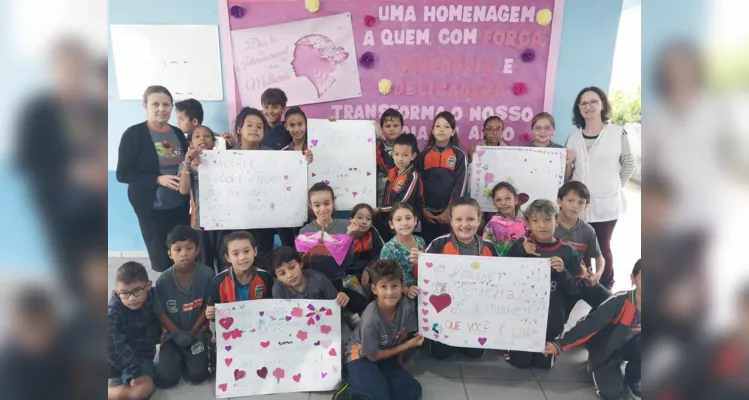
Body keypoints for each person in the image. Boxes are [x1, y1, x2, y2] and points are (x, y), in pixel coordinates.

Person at [564, 86, 636, 288]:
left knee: (602, 246)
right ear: (579, 108)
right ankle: (585, 282)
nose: (588, 106)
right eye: (583, 103)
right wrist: (568, 163)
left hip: (607, 203)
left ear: (602, 104)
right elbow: (568, 176)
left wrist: (615, 186)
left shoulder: (617, 133)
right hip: (578, 205)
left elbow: (629, 163)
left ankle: (606, 282)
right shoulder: (573, 137)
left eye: (593, 101)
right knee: (581, 245)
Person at [116, 85, 189, 272]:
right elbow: (123, 174)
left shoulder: (177, 133)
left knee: (182, 252)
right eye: (155, 104)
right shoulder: (134, 135)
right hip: (151, 207)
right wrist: (158, 179)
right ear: (145, 105)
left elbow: (184, 163)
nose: (161, 109)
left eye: (166, 104)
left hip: (180, 204)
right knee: (161, 256)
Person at [544, 260, 642, 400]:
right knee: (611, 393)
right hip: (607, 349)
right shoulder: (618, 302)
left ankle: (635, 376)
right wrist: (559, 345)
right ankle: (596, 363)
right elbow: (589, 325)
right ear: (633, 278)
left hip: (634, 347)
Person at [505, 199, 584, 369]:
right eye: (535, 220)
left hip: (552, 319)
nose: (542, 225)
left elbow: (575, 290)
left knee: (543, 364)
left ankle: (550, 344)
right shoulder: (522, 245)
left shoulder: (567, 252)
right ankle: (514, 346)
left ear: (557, 220)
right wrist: (520, 251)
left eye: (547, 220)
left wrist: (563, 272)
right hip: (522, 317)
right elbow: (503, 275)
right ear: (527, 222)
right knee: (520, 362)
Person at [417, 197, 498, 360]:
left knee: (475, 353)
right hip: (445, 311)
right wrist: (418, 262)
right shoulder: (438, 244)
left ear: (479, 220)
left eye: (470, 219)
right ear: (451, 221)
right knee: (442, 354)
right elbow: (422, 277)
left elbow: (498, 280)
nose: (464, 224)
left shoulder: (488, 247)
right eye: (459, 219)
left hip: (475, 311)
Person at [339, 259, 423, 400]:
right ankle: (350, 392)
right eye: (383, 287)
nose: (390, 293)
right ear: (374, 289)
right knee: (377, 396)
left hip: (384, 356)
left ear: (402, 286)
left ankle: (372, 385)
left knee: (413, 390)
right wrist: (408, 345)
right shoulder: (371, 318)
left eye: (394, 286)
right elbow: (373, 356)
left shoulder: (407, 307)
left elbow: (401, 338)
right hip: (360, 357)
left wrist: (400, 364)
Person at [153, 225, 213, 387]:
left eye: (189, 248)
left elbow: (207, 307)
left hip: (196, 333)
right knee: (167, 379)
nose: (184, 253)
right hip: (173, 336)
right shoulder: (163, 281)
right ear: (169, 253)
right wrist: (178, 334)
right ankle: (179, 358)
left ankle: (194, 358)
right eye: (177, 249)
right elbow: (160, 312)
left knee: (199, 375)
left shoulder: (207, 275)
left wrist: (193, 332)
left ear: (198, 250)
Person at [298, 182, 369, 314]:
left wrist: (348, 238)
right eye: (317, 205)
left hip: (339, 279)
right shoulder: (305, 232)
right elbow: (302, 266)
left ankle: (345, 313)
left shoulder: (346, 227)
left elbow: (347, 262)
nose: (322, 209)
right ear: (310, 206)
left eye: (326, 203)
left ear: (333, 202)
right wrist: (306, 257)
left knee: (358, 302)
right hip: (314, 281)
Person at [555, 181, 612, 321]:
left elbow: (600, 258)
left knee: (611, 303)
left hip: (578, 278)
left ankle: (588, 326)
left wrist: (597, 275)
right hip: (553, 279)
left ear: (585, 206)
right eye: (570, 200)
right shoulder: (549, 223)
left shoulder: (587, 231)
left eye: (581, 202)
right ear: (559, 201)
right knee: (557, 322)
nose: (575, 206)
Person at [107, 262, 160, 400]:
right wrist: (133, 371)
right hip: (115, 356)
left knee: (143, 390)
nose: (131, 298)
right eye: (124, 293)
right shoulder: (114, 309)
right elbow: (111, 345)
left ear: (148, 285)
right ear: (117, 291)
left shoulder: (155, 297)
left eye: (137, 290)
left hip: (142, 355)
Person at [179, 126, 227, 272]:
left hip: (224, 221)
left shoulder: (224, 161)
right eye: (197, 136)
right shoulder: (186, 164)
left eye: (207, 136)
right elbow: (183, 190)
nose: (202, 139)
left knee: (225, 260)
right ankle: (207, 293)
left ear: (214, 142)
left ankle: (224, 292)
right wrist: (188, 164)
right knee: (204, 262)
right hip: (201, 222)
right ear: (191, 143)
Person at [414, 111, 468, 244]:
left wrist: (450, 210)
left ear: (453, 131)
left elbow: (461, 185)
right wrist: (423, 209)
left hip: (449, 214)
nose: (441, 130)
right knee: (429, 248)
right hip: (428, 215)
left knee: (448, 248)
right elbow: (417, 184)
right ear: (432, 131)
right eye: (438, 126)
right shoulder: (423, 155)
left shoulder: (459, 155)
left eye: (446, 126)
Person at [233, 107, 276, 267]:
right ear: (239, 129)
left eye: (259, 127)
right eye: (249, 125)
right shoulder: (226, 158)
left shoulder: (274, 156)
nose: (254, 130)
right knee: (239, 263)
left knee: (263, 262)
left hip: (264, 221)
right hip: (236, 222)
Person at [206, 231, 274, 315]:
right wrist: (211, 314)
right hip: (229, 327)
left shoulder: (265, 277)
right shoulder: (218, 281)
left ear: (255, 251)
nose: (242, 257)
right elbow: (213, 322)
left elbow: (271, 310)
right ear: (227, 258)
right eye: (235, 254)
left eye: (246, 251)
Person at [374, 133, 423, 242]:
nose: (400, 159)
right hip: (390, 222)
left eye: (405, 155)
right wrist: (377, 137)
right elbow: (380, 155)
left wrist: (380, 209)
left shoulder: (413, 176)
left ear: (413, 156)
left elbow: (402, 202)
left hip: (406, 224)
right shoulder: (392, 171)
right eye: (396, 154)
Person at [278, 106, 314, 247]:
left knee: (311, 246)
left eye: (300, 124)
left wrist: (329, 125)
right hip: (291, 206)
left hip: (313, 207)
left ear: (306, 124)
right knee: (291, 246)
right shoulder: (283, 152)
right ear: (286, 127)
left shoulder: (316, 147)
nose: (297, 129)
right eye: (292, 125)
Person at [270, 246, 350, 308]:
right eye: (282, 273)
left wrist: (342, 300)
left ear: (300, 264)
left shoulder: (318, 279)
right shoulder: (278, 289)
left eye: (292, 267)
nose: (290, 275)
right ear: (277, 278)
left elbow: (339, 308)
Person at [376, 203, 425, 302]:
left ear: (415, 220)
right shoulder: (388, 249)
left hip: (423, 290)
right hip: (400, 296)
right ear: (391, 224)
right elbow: (386, 280)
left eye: (408, 218)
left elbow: (425, 268)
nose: (404, 223)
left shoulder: (420, 241)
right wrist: (406, 290)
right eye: (398, 219)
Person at [348, 203, 384, 301]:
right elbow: (339, 260)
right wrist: (348, 236)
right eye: (360, 217)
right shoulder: (345, 235)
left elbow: (382, 253)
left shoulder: (373, 233)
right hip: (348, 275)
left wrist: (368, 270)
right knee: (359, 301)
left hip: (369, 272)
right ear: (351, 219)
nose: (364, 222)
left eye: (368, 219)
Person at [482, 182, 528, 256]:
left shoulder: (528, 221)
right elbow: (487, 250)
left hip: (528, 263)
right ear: (494, 204)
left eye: (508, 198)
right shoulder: (491, 225)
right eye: (498, 200)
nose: (503, 203)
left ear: (515, 200)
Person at [376, 108, 405, 207]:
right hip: (378, 203)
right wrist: (333, 124)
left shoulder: (408, 148)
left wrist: (378, 139)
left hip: (400, 204)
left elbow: (392, 166)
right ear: (382, 129)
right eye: (388, 126)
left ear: (402, 127)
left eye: (395, 125)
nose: (392, 129)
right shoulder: (375, 148)